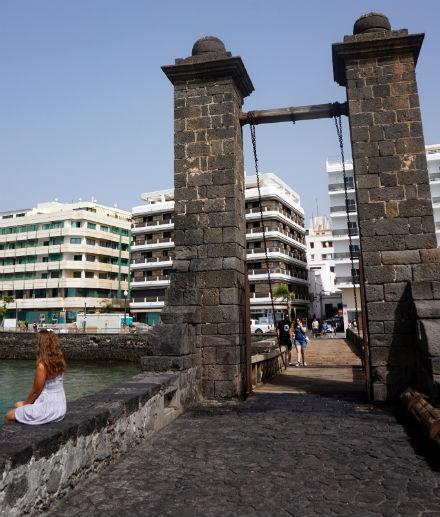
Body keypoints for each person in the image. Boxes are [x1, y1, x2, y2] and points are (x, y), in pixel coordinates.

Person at [4, 329, 67, 425]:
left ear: (41, 344)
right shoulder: (59, 361)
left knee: (8, 415)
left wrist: (25, 404)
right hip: (60, 407)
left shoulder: (42, 366)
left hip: (48, 409)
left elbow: (35, 392)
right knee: (17, 404)